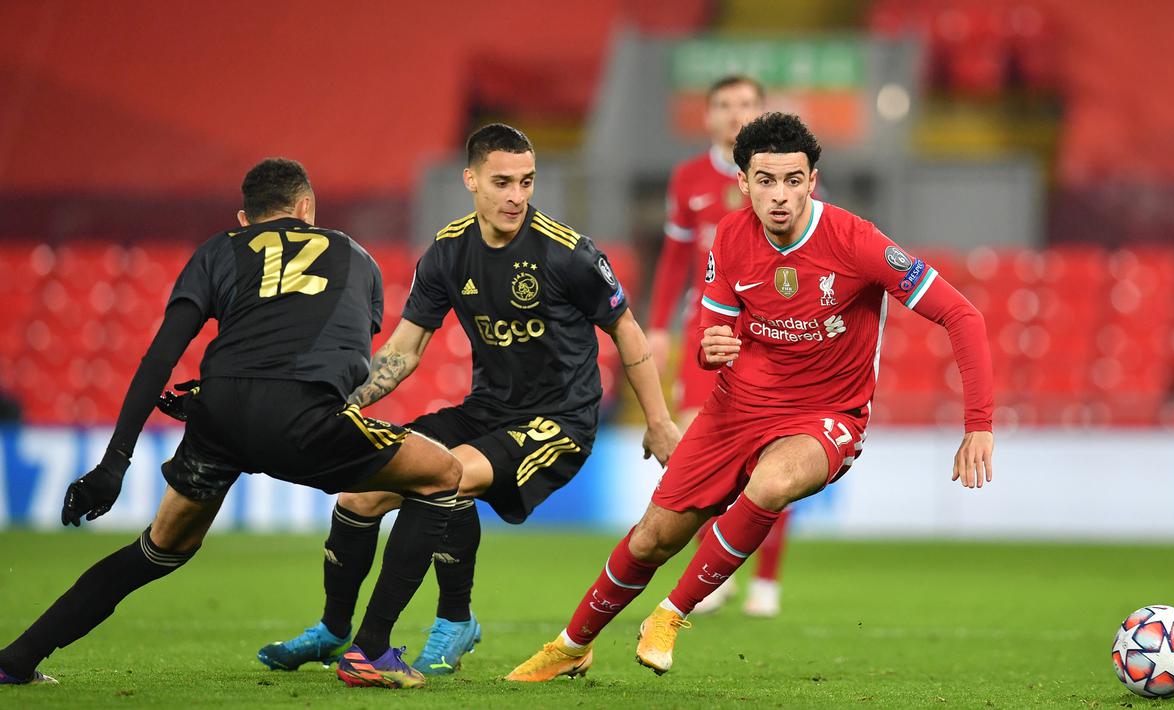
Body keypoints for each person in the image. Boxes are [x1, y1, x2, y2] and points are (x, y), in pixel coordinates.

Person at [505, 112, 995, 682]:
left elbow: (962, 315)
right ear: (743, 182)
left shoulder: (857, 241)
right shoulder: (731, 237)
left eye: (793, 180)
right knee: (651, 539)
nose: (779, 195)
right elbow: (712, 336)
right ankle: (571, 645)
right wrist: (710, 347)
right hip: (736, 408)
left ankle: (669, 614)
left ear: (812, 181)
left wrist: (978, 424)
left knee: (773, 482)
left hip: (825, 415)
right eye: (766, 180)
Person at [0, 159, 463, 689]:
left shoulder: (217, 249)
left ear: (245, 218)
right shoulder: (356, 256)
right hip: (301, 418)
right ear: (306, 208)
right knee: (441, 473)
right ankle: (372, 650)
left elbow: (159, 357)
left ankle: (16, 658)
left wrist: (114, 463)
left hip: (216, 415)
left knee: (158, 549)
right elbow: (350, 363)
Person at [255, 124, 680, 680]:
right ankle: (335, 630)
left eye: (526, 181)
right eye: (502, 182)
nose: (516, 196)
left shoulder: (567, 253)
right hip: (484, 410)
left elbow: (626, 329)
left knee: (445, 476)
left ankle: (387, 641)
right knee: (361, 492)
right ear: (471, 180)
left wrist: (658, 420)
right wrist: (345, 402)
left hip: (558, 422)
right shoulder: (448, 251)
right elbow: (404, 350)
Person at [646, 74, 789, 617]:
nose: (735, 113)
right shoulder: (688, 178)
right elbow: (674, 258)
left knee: (773, 458)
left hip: (771, 333)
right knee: (697, 454)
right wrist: (658, 325)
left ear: (762, 111)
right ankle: (716, 573)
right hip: (707, 331)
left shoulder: (784, 175)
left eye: (747, 103)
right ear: (707, 116)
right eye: (725, 104)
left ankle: (767, 580)